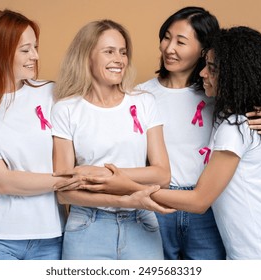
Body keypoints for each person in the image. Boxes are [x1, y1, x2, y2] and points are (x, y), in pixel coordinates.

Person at [89, 26, 261, 260]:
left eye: (212, 68)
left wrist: (128, 186)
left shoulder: (235, 126)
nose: (203, 74)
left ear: (233, 75)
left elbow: (199, 201)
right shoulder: (245, 116)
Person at [135, 6, 261, 260]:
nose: (169, 48)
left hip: (207, 207)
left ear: (204, 50)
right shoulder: (140, 95)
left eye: (181, 41)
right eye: (166, 37)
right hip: (158, 204)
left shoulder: (218, 94)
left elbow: (254, 104)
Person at [51, 19, 172, 260]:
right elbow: (64, 190)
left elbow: (162, 175)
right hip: (87, 226)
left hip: (142, 222)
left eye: (123, 52)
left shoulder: (144, 102)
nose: (119, 59)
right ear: (87, 56)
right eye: (109, 52)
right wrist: (125, 197)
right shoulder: (65, 109)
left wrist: (99, 174)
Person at [0, 9, 69, 260]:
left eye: (35, 47)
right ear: (0, 51)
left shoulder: (50, 92)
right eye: (25, 49)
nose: (35, 56)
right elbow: (2, 182)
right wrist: (72, 179)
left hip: (51, 237)